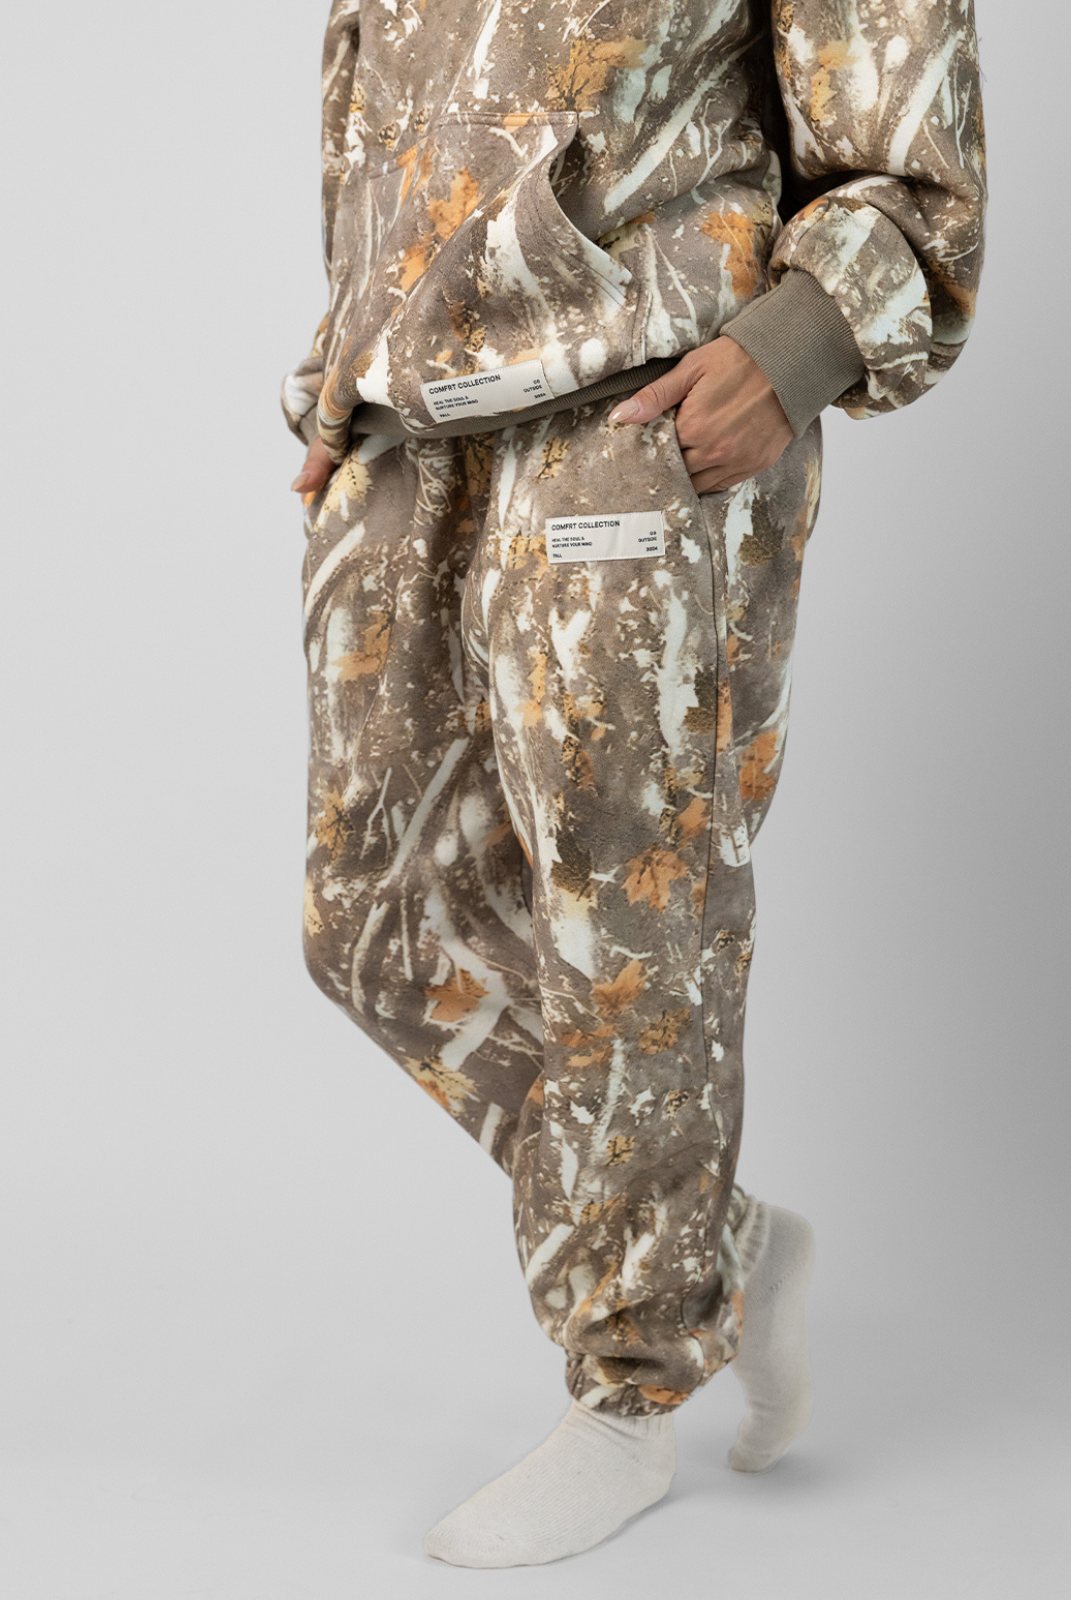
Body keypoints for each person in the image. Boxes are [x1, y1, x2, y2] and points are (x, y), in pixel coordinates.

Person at [281, 0, 986, 1569]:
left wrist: (792, 348)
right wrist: (344, 365)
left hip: (642, 401)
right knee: (370, 922)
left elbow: (911, 151)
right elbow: (379, 104)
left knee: (628, 917)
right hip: (412, 420)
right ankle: (711, 1241)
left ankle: (631, 1392)